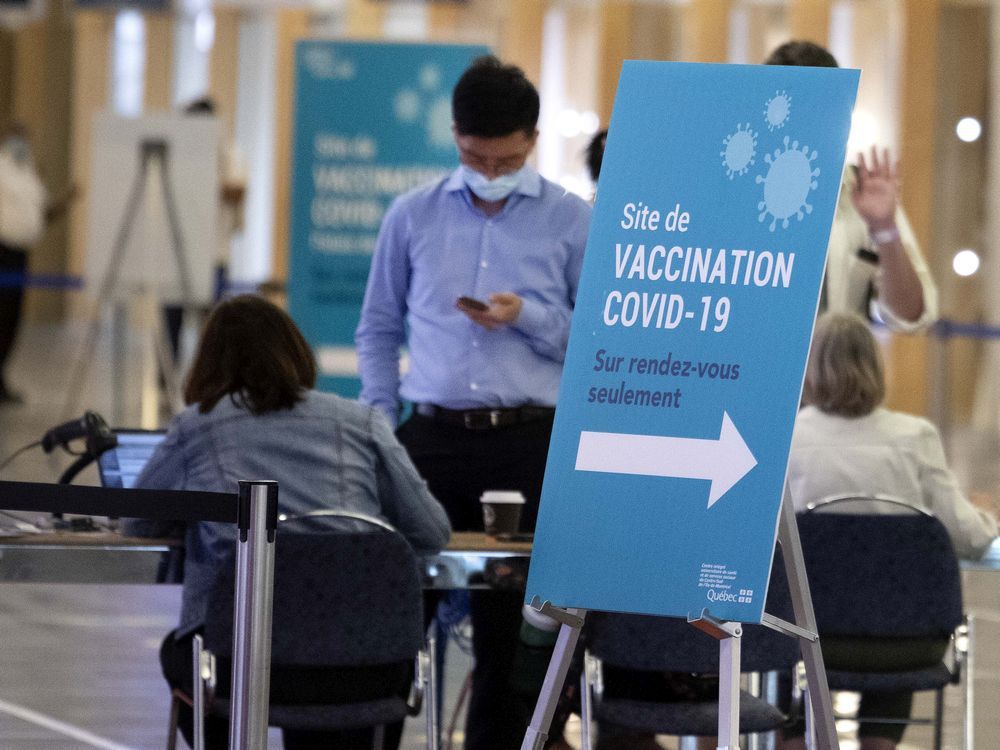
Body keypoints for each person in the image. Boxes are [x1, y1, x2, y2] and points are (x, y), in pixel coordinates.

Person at [355, 55, 591, 750]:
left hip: (530, 441)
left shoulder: (573, 222)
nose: (489, 171)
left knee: (511, 639)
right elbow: (377, 327)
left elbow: (602, 343)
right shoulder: (413, 215)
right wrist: (379, 422)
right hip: (428, 441)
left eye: (506, 158)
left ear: (533, 140)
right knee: (394, 621)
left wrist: (529, 317)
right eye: (474, 157)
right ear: (455, 137)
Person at [123, 294, 451, 750]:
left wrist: (193, 517)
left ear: (208, 364)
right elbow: (432, 532)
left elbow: (137, 523)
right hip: (366, 665)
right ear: (296, 352)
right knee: (321, 678)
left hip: (237, 664)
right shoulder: (361, 422)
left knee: (185, 655)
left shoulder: (196, 427)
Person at [781, 311, 998, 750]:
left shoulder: (785, 439)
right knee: (893, 597)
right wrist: (987, 514)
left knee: (804, 608)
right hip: (905, 647)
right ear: (877, 365)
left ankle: (792, 738)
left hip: (804, 645)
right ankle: (880, 743)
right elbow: (971, 538)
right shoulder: (913, 438)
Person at [765, 40, 938, 332]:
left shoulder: (865, 192)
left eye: (817, 109)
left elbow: (912, 317)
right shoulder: (734, 196)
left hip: (836, 374)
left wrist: (884, 229)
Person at [0, 124, 47, 404]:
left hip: (19, 254)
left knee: (11, 320)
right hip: (1, 252)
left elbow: (35, 214)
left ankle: (1, 376)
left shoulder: (27, 173)